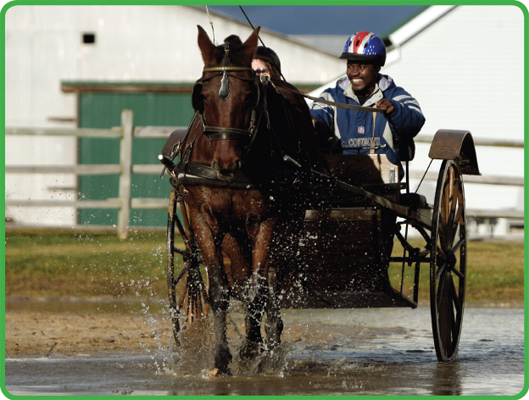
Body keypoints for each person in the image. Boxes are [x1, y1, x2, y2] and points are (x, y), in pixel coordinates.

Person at [310, 31, 425, 180]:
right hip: (338, 181)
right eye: (350, 66)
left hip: (384, 183)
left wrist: (395, 109)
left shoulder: (395, 95)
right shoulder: (331, 96)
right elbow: (318, 116)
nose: (354, 73)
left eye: (362, 66)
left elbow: (416, 120)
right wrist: (313, 122)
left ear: (377, 67)